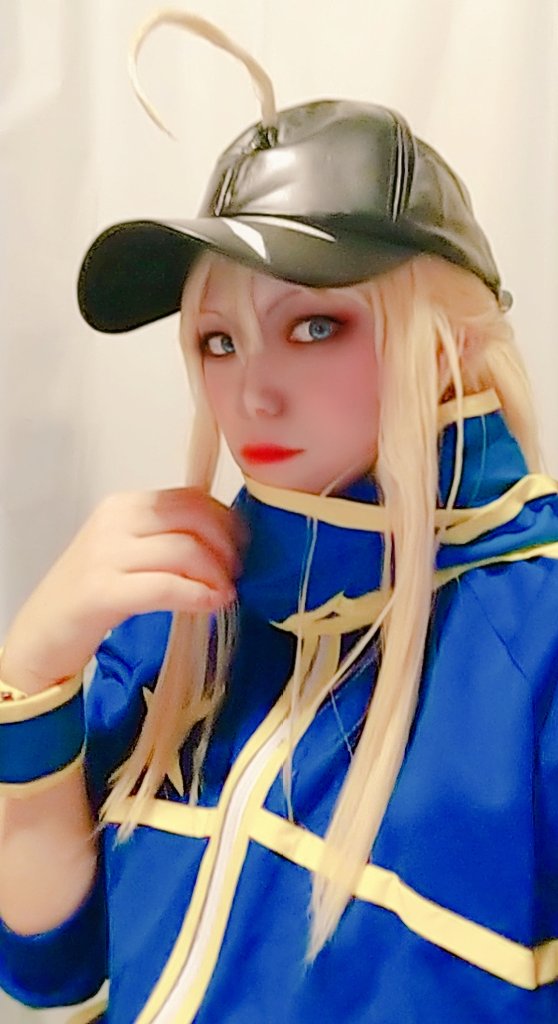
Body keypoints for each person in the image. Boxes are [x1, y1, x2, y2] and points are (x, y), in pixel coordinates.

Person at [1, 11, 558, 1024]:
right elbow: (51, 973)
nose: (252, 394)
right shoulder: (177, 616)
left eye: (314, 325)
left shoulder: (536, 644)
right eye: (218, 341)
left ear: (451, 342)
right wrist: (30, 675)